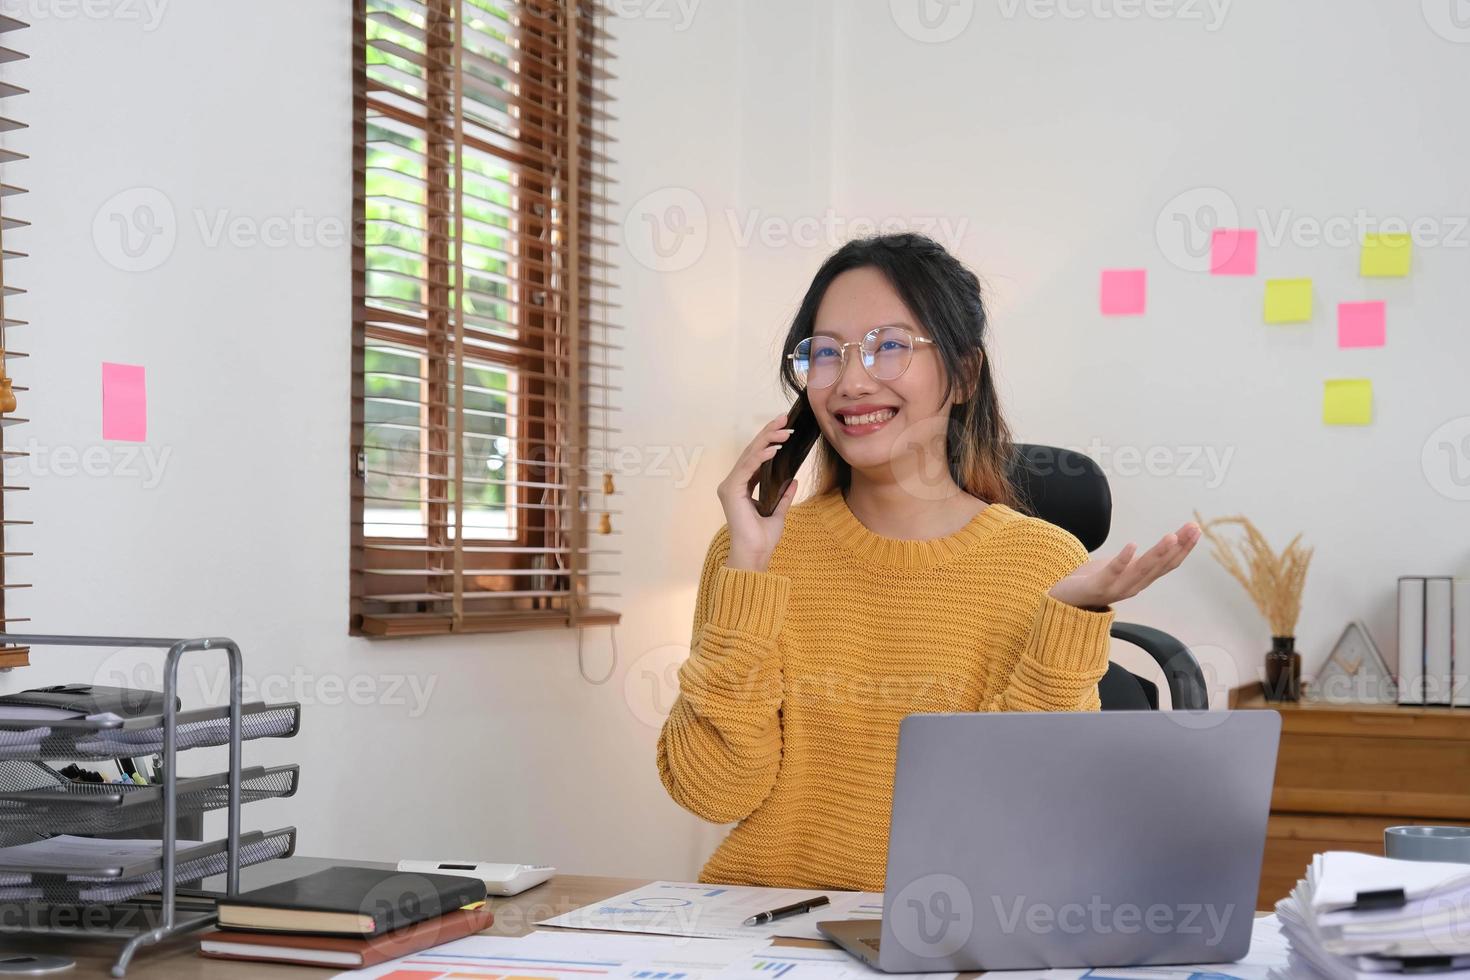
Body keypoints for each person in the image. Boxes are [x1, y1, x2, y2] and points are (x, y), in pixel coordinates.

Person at [655, 233, 1201, 890]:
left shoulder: (1044, 565)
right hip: (764, 925)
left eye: (889, 346)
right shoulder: (752, 550)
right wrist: (748, 572)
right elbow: (711, 793)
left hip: (954, 931)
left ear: (965, 374)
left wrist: (1067, 620)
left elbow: (1020, 812)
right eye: (826, 353)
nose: (852, 381)